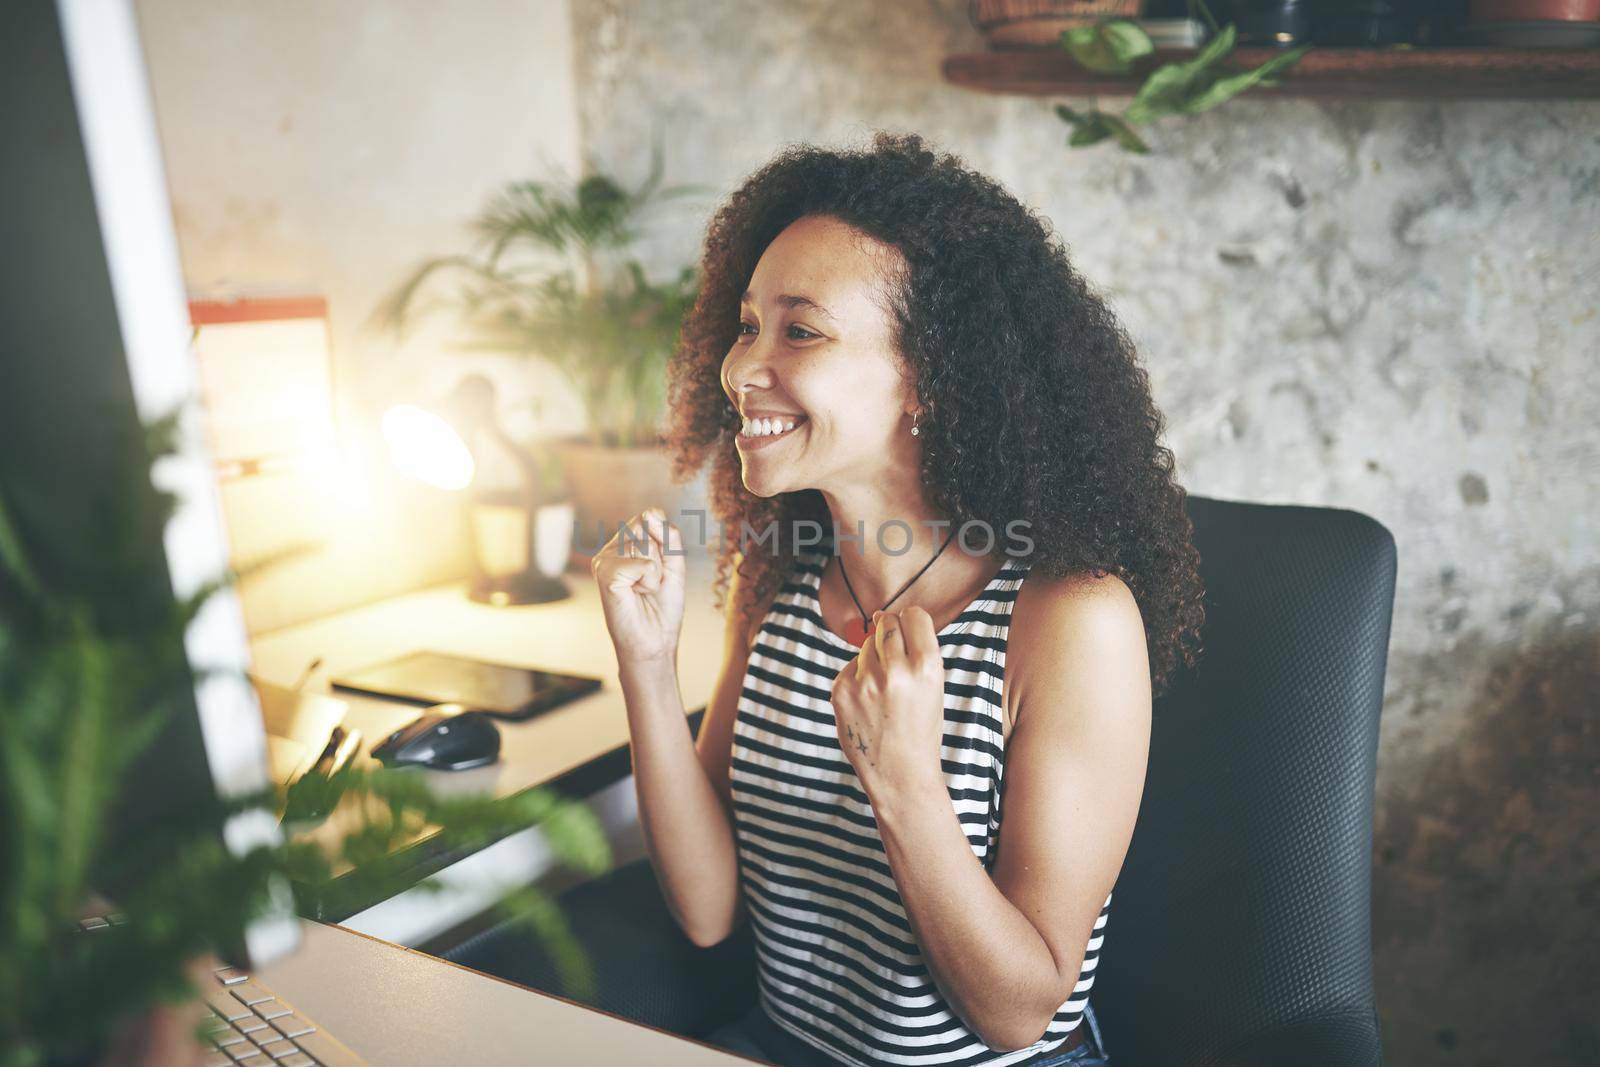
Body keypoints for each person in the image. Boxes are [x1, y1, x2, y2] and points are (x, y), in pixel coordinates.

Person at [592, 131, 1204, 1067]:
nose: (740, 367)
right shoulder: (783, 574)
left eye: (800, 329)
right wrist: (645, 662)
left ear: (931, 375)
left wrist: (907, 782)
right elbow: (710, 910)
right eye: (748, 323)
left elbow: (1020, 1012)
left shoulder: (1070, 620)